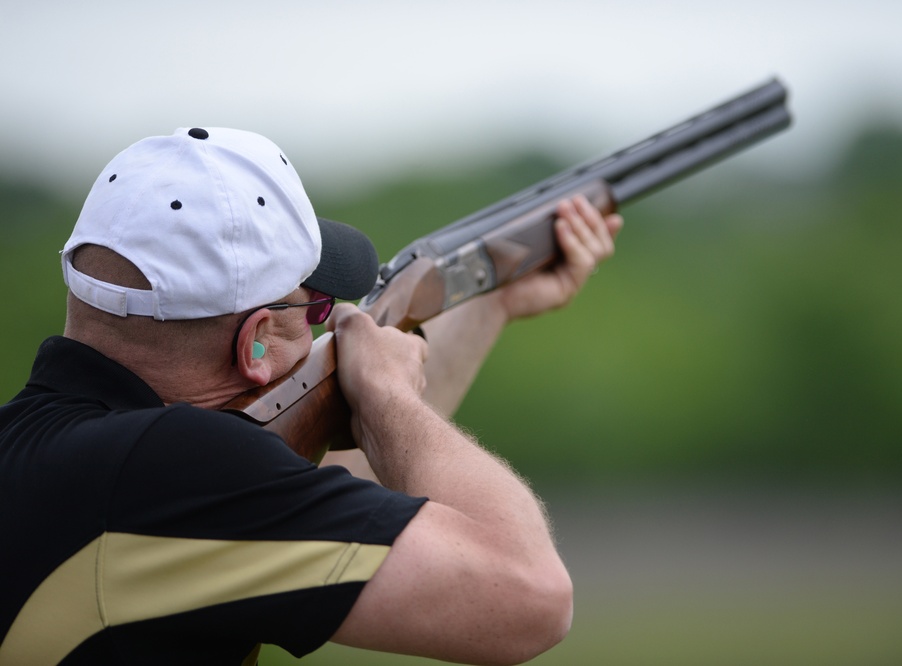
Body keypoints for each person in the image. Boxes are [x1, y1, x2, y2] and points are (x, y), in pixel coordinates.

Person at [0, 127, 622, 665]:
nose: (336, 320)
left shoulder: (57, 454)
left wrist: (490, 301)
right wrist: (386, 391)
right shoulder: (169, 466)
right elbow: (527, 595)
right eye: (317, 307)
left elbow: (319, 501)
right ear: (257, 345)